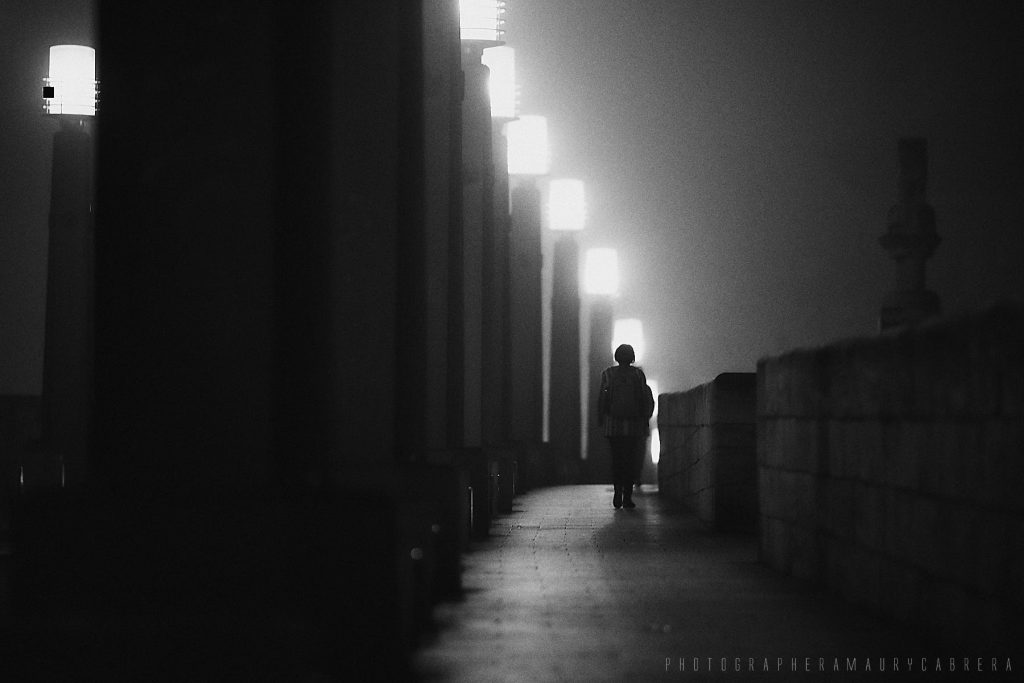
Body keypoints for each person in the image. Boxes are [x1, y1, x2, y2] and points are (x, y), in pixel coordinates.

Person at [597, 344, 652, 509]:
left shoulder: (607, 374)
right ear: (632, 357)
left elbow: (602, 399)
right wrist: (645, 419)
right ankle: (627, 497)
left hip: (613, 426)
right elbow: (644, 399)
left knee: (616, 460)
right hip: (634, 426)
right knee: (630, 461)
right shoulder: (638, 374)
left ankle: (617, 493)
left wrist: (601, 418)